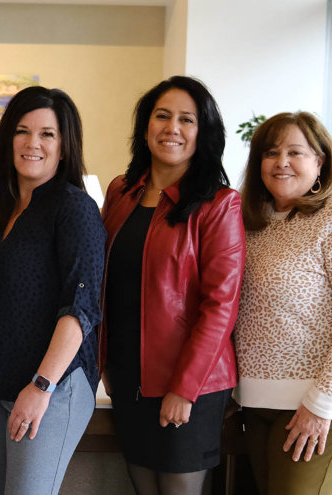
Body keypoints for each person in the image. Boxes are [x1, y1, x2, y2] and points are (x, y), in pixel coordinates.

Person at [100, 76, 245, 495]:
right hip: (129, 378)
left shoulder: (220, 204)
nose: (172, 128)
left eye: (187, 119)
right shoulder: (121, 192)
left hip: (190, 384)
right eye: (162, 116)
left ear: (204, 133)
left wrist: (184, 388)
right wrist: (106, 363)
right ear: (146, 126)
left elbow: (220, 307)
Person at [0, 86, 104, 495]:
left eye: (47, 134)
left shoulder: (74, 208)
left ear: (64, 146)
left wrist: (41, 387)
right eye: (23, 131)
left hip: (51, 386)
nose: (32, 144)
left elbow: (81, 309)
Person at [234, 112, 332, 494]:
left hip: (308, 406)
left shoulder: (327, 221)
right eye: (271, 152)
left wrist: (321, 404)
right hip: (251, 404)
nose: (281, 162)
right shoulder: (248, 224)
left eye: (296, 152)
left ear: (320, 162)